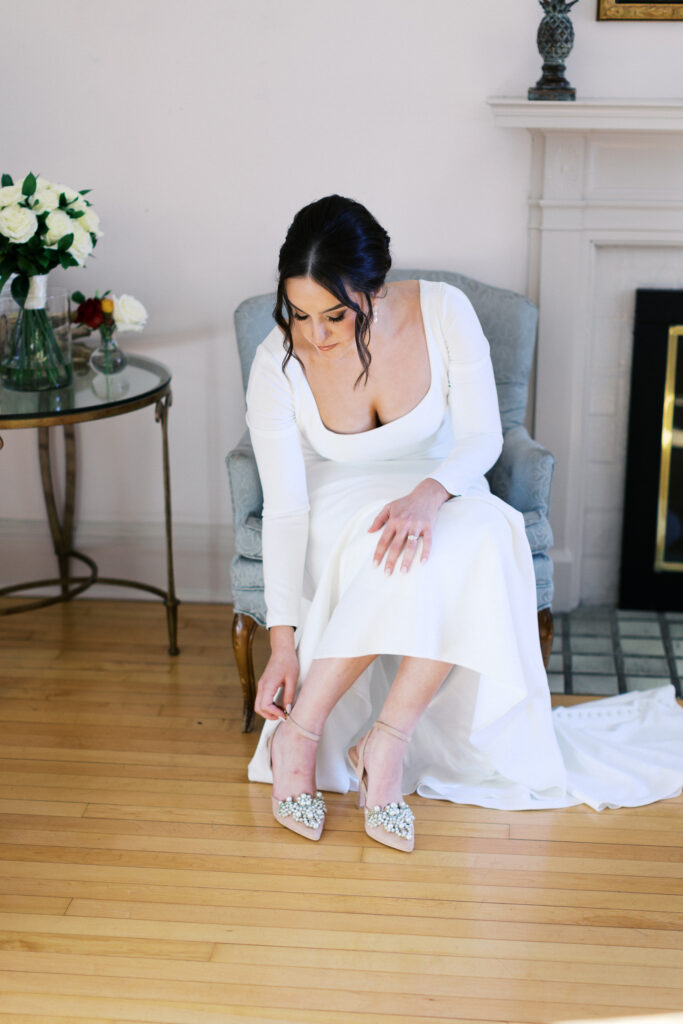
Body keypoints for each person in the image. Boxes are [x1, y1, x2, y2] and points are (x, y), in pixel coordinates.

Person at [245, 194, 683, 852]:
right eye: (299, 313)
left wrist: (430, 493)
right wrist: (282, 641)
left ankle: (384, 742)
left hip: (443, 477)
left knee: (485, 532)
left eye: (335, 314)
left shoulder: (444, 310)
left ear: (375, 288)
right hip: (338, 496)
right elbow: (284, 506)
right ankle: (301, 730)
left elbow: (482, 437)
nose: (317, 334)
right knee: (397, 542)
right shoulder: (275, 362)